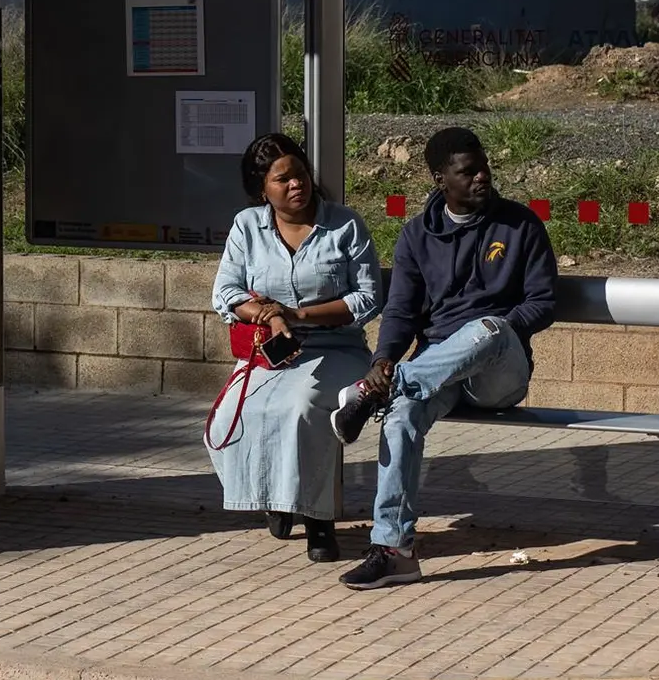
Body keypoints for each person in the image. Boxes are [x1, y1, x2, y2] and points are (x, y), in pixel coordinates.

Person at [330, 127, 558, 589]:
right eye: (467, 171)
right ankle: (394, 552)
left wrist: (500, 328)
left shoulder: (520, 224)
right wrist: (383, 359)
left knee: (488, 327)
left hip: (498, 373)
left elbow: (543, 303)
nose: (482, 177)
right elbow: (400, 311)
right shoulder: (417, 235)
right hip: (438, 372)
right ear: (440, 178)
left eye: (484, 167)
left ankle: (376, 394)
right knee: (399, 418)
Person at [207, 133, 381, 563]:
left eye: (300, 174)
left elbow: (367, 298)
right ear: (262, 188)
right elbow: (224, 291)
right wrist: (268, 314)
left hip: (337, 349)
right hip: (272, 352)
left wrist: (300, 314)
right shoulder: (247, 226)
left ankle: (317, 522)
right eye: (282, 180)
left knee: (302, 409)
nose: (296, 185)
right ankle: (275, 497)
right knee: (229, 418)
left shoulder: (345, 225)